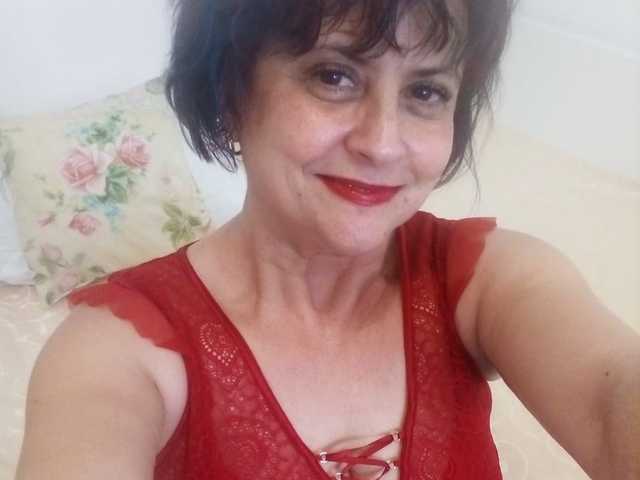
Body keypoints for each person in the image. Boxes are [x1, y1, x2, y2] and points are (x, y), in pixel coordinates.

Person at [16, 0, 640, 479]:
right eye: (334, 76)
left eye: (426, 91)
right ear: (232, 92)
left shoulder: (489, 278)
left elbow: (611, 397)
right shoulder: (115, 351)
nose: (382, 143)